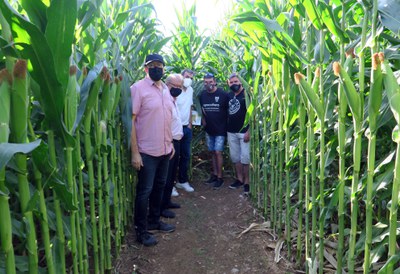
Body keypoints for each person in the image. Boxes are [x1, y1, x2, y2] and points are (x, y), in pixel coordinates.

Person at [130, 53, 175, 247]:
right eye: (152, 65)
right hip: (146, 151)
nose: (157, 68)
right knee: (144, 191)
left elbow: (167, 119)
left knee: (159, 186)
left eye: (160, 65)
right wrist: (135, 152)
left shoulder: (165, 89)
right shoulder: (138, 89)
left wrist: (171, 143)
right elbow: (131, 121)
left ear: (164, 69)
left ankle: (154, 221)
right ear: (146, 68)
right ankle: (141, 231)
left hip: (165, 149)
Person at [199, 72, 229, 189]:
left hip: (221, 129)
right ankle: (215, 174)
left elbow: (229, 110)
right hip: (209, 129)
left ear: (215, 81)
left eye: (210, 82)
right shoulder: (202, 95)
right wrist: (203, 120)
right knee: (212, 152)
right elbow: (201, 109)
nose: (208, 84)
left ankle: (220, 177)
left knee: (218, 152)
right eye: (206, 82)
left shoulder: (223, 94)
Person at [161, 74, 184, 219]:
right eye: (173, 86)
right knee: (166, 175)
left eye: (179, 87)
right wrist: (169, 143)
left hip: (176, 141)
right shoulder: (165, 100)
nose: (176, 89)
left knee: (171, 175)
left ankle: (167, 201)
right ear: (167, 84)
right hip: (169, 142)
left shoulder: (174, 100)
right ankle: (161, 207)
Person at [226, 73, 250, 194]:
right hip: (231, 131)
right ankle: (239, 179)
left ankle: (247, 182)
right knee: (235, 158)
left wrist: (249, 131)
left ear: (240, 82)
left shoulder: (247, 95)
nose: (234, 84)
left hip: (244, 132)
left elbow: (253, 114)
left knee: (245, 158)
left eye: (236, 82)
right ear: (228, 83)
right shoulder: (229, 95)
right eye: (231, 82)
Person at [175, 69, 195, 193]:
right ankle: (170, 185)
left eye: (191, 78)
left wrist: (190, 124)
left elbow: (190, 107)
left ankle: (182, 181)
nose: (189, 80)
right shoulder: (175, 90)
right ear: (181, 77)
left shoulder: (191, 90)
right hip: (175, 129)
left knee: (185, 156)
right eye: (187, 77)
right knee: (173, 157)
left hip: (186, 128)